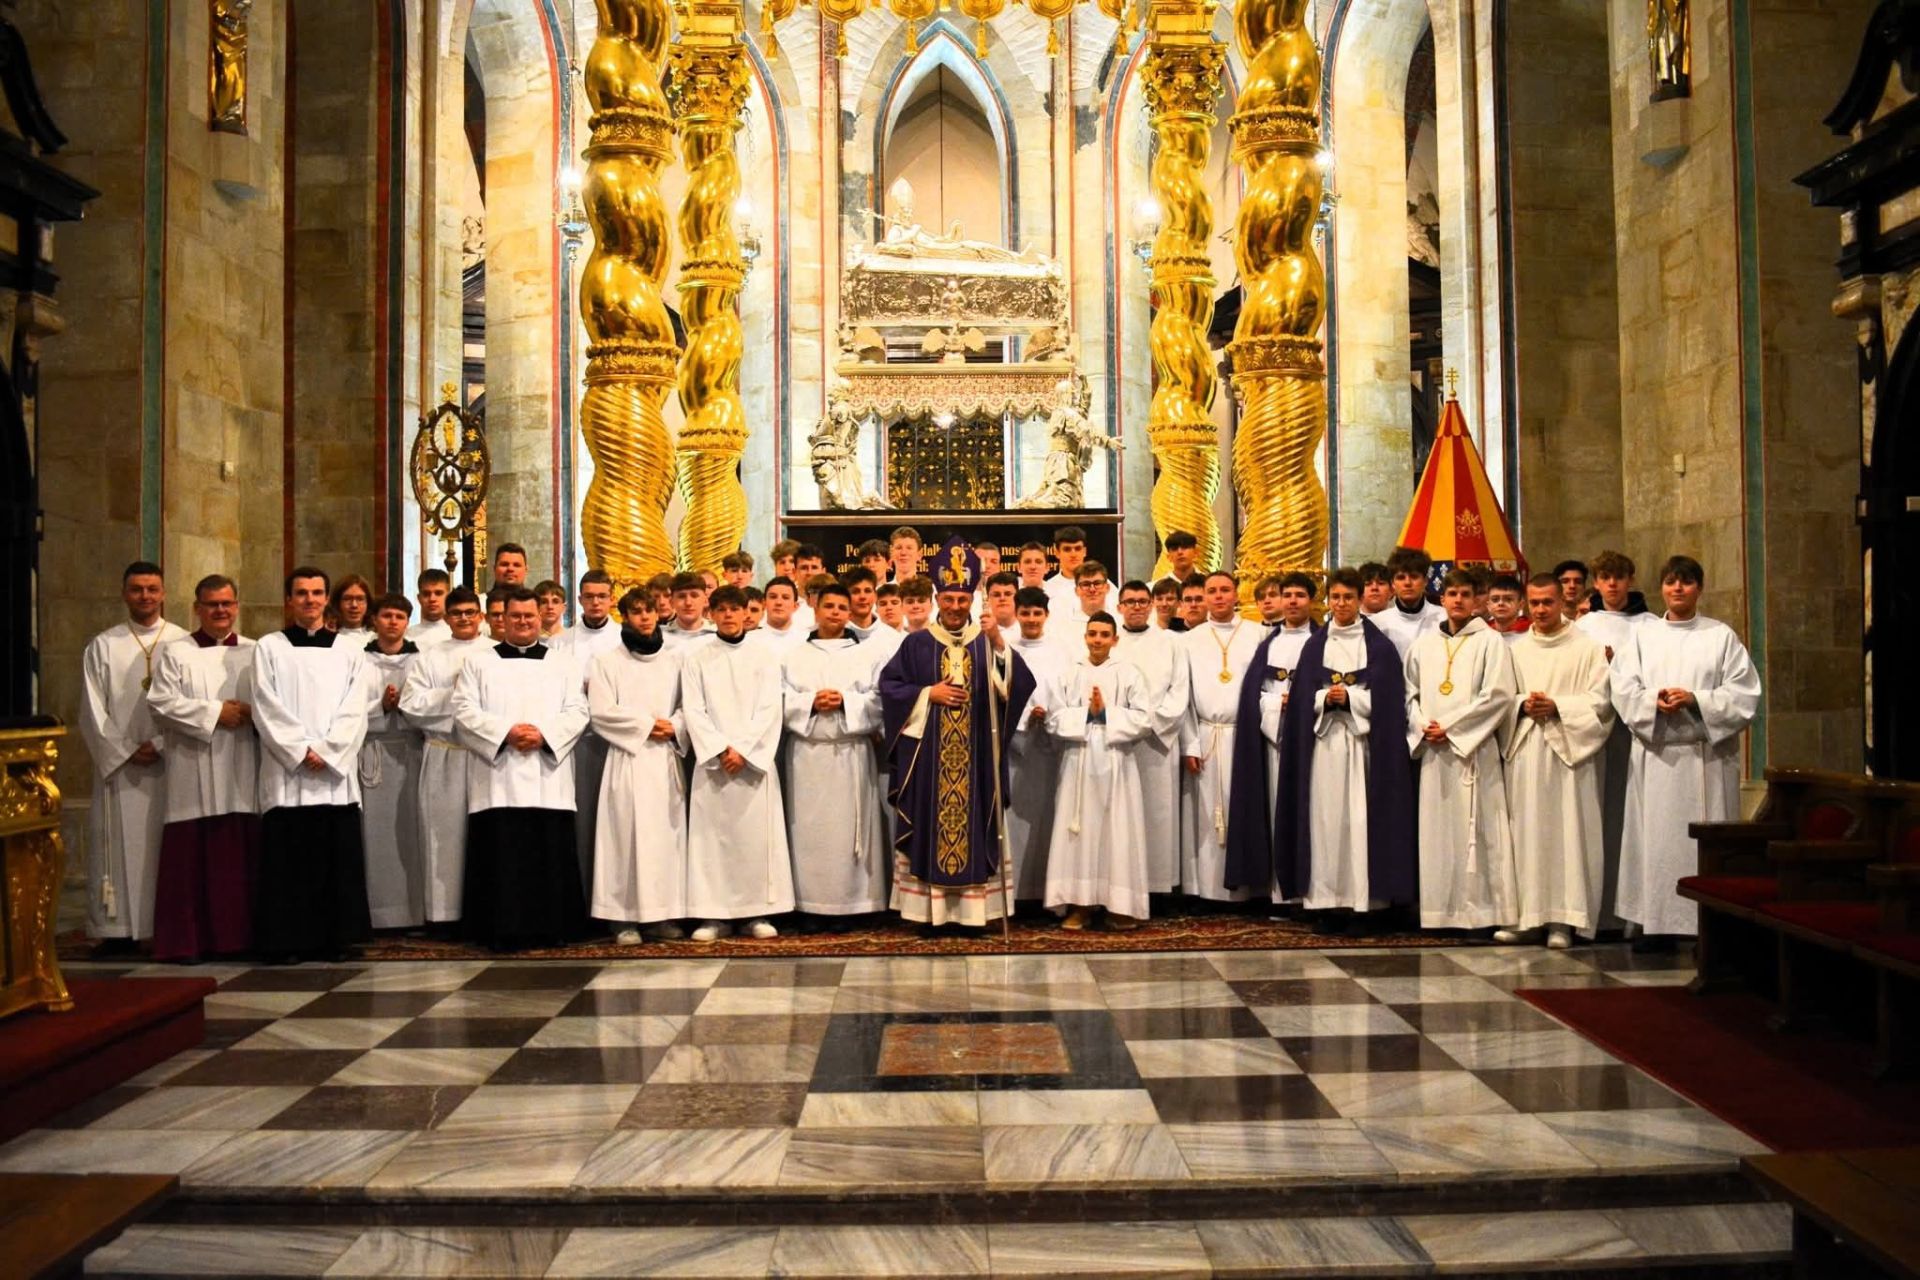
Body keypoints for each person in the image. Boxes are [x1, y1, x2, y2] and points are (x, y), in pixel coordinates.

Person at [878, 544, 1035, 928]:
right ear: (937, 598)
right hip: (930, 761)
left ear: (971, 599)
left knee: (977, 821)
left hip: (977, 756)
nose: (954, 606)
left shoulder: (986, 639)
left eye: (961, 599)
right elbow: (889, 687)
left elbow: (1020, 685)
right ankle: (925, 913)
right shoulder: (916, 643)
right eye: (948, 598)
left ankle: (975, 913)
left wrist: (999, 643)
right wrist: (926, 693)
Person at [1612, 555, 1761, 950]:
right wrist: (1651, 701)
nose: (1678, 589)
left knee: (1703, 844)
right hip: (1658, 756)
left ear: (1700, 588)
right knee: (1656, 841)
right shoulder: (1642, 637)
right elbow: (1623, 688)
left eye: (1687, 582)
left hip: (1706, 759)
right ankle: (1656, 925)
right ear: (1661, 588)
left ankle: (1708, 925)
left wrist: (1696, 699)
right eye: (1671, 582)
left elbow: (1745, 694)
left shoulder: (1720, 636)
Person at [1256, 568, 1415, 932]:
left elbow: (1391, 699)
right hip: (1324, 747)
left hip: (1363, 750)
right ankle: (1326, 902)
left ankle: (1365, 902)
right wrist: (1326, 698)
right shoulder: (1316, 646)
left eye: (1348, 597)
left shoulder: (1379, 646)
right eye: (1336, 598)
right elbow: (1300, 702)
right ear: (1328, 601)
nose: (1341, 604)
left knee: (1359, 821)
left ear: (1359, 600)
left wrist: (1354, 699)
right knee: (1326, 823)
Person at [452, 587, 590, 949]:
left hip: (548, 777)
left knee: (548, 853)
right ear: (502, 619)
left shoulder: (564, 663)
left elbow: (578, 711)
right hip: (499, 776)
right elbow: (464, 712)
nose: (524, 622)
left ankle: (553, 928)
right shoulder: (478, 663)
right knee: (503, 857)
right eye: (515, 616)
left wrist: (543, 734)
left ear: (540, 618)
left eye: (530, 616)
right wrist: (505, 733)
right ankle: (501, 930)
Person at [252, 566, 374, 961]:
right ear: (289, 600)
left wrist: (331, 749)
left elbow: (357, 707)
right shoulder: (269, 647)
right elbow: (264, 703)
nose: (310, 600)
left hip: (333, 777)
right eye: (301, 593)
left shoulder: (348, 650)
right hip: (289, 774)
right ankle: (288, 939)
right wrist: (300, 749)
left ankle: (335, 938)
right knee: (289, 862)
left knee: (334, 860)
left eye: (317, 592)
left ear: (327, 599)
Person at [146, 574, 258, 962]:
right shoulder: (177, 652)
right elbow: (160, 702)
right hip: (191, 768)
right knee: (189, 860)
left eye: (227, 603)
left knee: (238, 857)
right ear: (197, 609)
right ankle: (187, 942)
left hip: (242, 767)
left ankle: (239, 938)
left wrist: (250, 712)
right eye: (212, 604)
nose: (221, 611)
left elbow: (274, 700)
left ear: (237, 606)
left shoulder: (254, 651)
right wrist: (215, 712)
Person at [1501, 574, 1615, 949]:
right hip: (1527, 749)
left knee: (1566, 833)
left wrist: (1558, 707)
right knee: (1526, 833)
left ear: (1564, 601)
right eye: (1533, 603)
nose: (1540, 610)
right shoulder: (1515, 649)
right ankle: (1526, 918)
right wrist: (1522, 705)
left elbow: (1600, 702)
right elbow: (1501, 698)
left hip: (1569, 753)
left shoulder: (1587, 648)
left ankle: (1564, 920)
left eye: (1547, 602)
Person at [79, 561, 189, 948]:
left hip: (169, 760)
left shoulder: (182, 642)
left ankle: (164, 926)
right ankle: (118, 931)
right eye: (137, 589)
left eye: (152, 589)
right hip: (121, 767)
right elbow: (92, 711)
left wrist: (159, 744)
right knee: (116, 847)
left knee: (166, 847)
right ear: (125, 593)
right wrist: (125, 750)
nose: (145, 596)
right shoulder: (103, 645)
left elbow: (189, 702)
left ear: (163, 593)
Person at [1405, 568, 1520, 930]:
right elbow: (1410, 693)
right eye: (1451, 594)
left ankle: (1480, 915)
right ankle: (1440, 913)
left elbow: (1498, 695)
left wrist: (1452, 729)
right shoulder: (1423, 644)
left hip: (1473, 752)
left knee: (1479, 834)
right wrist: (1423, 726)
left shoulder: (1490, 642)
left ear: (1478, 601)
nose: (1457, 600)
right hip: (1435, 754)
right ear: (1442, 599)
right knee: (1438, 833)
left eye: (1465, 594)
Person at [680, 585, 792, 939]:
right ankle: (712, 915)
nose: (728, 615)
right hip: (714, 764)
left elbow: (770, 708)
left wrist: (742, 749)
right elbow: (693, 710)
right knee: (711, 840)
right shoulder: (696, 657)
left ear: (747, 612)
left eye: (735, 609)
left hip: (752, 763)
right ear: (710, 613)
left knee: (754, 840)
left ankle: (756, 912)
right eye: (721, 609)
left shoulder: (764, 655)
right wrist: (718, 748)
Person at [587, 587, 690, 944]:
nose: (645, 617)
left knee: (664, 838)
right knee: (625, 838)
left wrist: (675, 726)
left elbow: (688, 705)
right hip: (628, 760)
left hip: (663, 760)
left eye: (649, 610)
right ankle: (624, 918)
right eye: (637, 611)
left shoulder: (675, 659)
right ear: (624, 616)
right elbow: (601, 711)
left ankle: (662, 916)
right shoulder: (607, 661)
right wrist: (649, 725)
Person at [782, 583, 889, 923]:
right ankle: (810, 905)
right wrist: (809, 702)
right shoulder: (793, 654)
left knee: (850, 835)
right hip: (808, 754)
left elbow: (879, 699)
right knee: (810, 831)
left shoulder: (867, 653)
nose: (836, 613)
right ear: (815, 609)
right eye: (829, 606)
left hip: (851, 752)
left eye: (842, 608)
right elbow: (776, 698)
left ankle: (856, 905)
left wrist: (846, 701)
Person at [1045, 613, 1152, 930]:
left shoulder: (1129, 673)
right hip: (1078, 761)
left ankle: (1119, 906)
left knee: (1117, 832)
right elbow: (1053, 718)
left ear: (1115, 639)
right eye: (1092, 634)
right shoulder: (1069, 674)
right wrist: (1085, 716)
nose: (1097, 640)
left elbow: (1145, 719)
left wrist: (1106, 714)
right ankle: (1080, 906)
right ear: (1085, 637)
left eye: (1104, 634)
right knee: (1079, 833)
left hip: (1117, 761)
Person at [399, 587, 489, 932]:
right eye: (457, 613)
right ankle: (444, 916)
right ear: (447, 617)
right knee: (443, 836)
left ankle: (480, 911)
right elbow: (410, 705)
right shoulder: (430, 655)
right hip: (445, 755)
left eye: (470, 611)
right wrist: (456, 693)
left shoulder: (494, 651)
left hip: (483, 755)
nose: (464, 618)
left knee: (483, 835)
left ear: (480, 614)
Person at [1576, 548, 1653, 930]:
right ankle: (1599, 912)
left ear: (1631, 580)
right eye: (1605, 577)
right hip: (1595, 729)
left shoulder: (1652, 625)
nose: (1612, 584)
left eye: (1619, 577)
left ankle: (1632, 915)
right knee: (1598, 814)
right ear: (1596, 582)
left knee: (1632, 815)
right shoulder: (1583, 626)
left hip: (1636, 729)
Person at [1178, 571, 1264, 906]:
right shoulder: (1190, 640)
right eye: (1211, 591)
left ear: (1236, 594)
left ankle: (1246, 888)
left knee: (1242, 811)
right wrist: (1189, 742)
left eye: (1224, 590)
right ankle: (1205, 890)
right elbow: (1183, 697)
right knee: (1203, 814)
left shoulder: (1257, 634)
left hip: (1242, 736)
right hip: (1204, 733)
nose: (1218, 596)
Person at [1114, 580, 1190, 897]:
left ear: (1152, 605)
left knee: (1159, 816)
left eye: (1141, 601)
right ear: (1118, 606)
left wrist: (1150, 723)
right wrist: (1124, 725)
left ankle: (1160, 888)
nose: (1136, 606)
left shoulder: (1171, 643)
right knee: (1122, 817)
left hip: (1158, 741)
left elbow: (1179, 690)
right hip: (1119, 741)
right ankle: (1123, 885)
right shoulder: (1109, 641)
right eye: (1129, 601)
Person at [359, 593, 425, 930]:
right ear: (375, 620)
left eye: (400, 616)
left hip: (412, 752)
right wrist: (380, 708)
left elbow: (429, 704)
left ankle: (414, 913)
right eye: (386, 616)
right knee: (375, 834)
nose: (393, 622)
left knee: (411, 833)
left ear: (407, 621)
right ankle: (378, 913)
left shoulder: (420, 660)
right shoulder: (359, 660)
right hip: (373, 751)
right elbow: (348, 707)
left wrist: (408, 705)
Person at [1005, 586, 1074, 902]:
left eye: (1037, 613)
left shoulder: (1062, 651)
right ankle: (1014, 892)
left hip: (1050, 744)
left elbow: (1070, 692)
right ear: (1017, 614)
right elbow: (997, 692)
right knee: (1014, 820)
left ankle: (1047, 892)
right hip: (1015, 743)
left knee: (1048, 818)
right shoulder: (1004, 647)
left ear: (1046, 615)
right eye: (1025, 613)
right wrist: (1021, 716)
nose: (1031, 619)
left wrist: (1049, 714)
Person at [1245, 573, 1318, 832]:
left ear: (1311, 599)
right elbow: (1254, 692)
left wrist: (1302, 701)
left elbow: (1331, 688)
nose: (1293, 601)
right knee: (1276, 805)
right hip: (1274, 735)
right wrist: (1276, 703)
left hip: (1312, 737)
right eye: (1287, 595)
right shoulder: (1267, 644)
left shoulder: (1321, 641)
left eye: (1299, 595)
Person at [1371, 547, 1444, 659]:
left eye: (1414, 577)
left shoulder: (1444, 619)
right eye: (1401, 578)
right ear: (1393, 584)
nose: (1407, 583)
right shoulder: (1377, 624)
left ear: (1425, 581)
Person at [1044, 525, 1116, 615]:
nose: (1073, 554)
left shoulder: (1103, 585)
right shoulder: (1048, 589)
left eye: (1077, 548)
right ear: (1057, 552)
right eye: (1067, 549)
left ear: (1084, 551)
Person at [754, 576, 808, 655]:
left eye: (785, 598)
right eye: (773, 597)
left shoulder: (806, 640)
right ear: (764, 603)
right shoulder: (749, 640)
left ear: (795, 606)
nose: (779, 602)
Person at [663, 571, 716, 648]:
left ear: (705, 600)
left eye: (694, 596)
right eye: (681, 596)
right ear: (671, 602)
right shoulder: (660, 639)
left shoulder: (718, 635)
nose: (688, 603)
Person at [412, 569, 453, 648]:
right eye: (426, 594)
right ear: (419, 598)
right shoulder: (406, 637)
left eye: (438, 593)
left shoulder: (458, 636)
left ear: (448, 597)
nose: (432, 599)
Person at [328, 574, 373, 645]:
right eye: (347, 599)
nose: (354, 605)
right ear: (337, 603)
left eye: (360, 599)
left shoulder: (377, 641)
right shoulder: (328, 640)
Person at [1486, 573, 1531, 642]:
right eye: (1495, 600)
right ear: (1488, 605)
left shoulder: (1531, 633)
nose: (1501, 603)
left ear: (1521, 605)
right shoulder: (1482, 634)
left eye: (1508, 599)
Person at [844, 567, 882, 637]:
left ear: (875, 596)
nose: (862, 597)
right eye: (855, 592)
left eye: (867, 591)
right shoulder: (832, 638)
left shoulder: (893, 638)